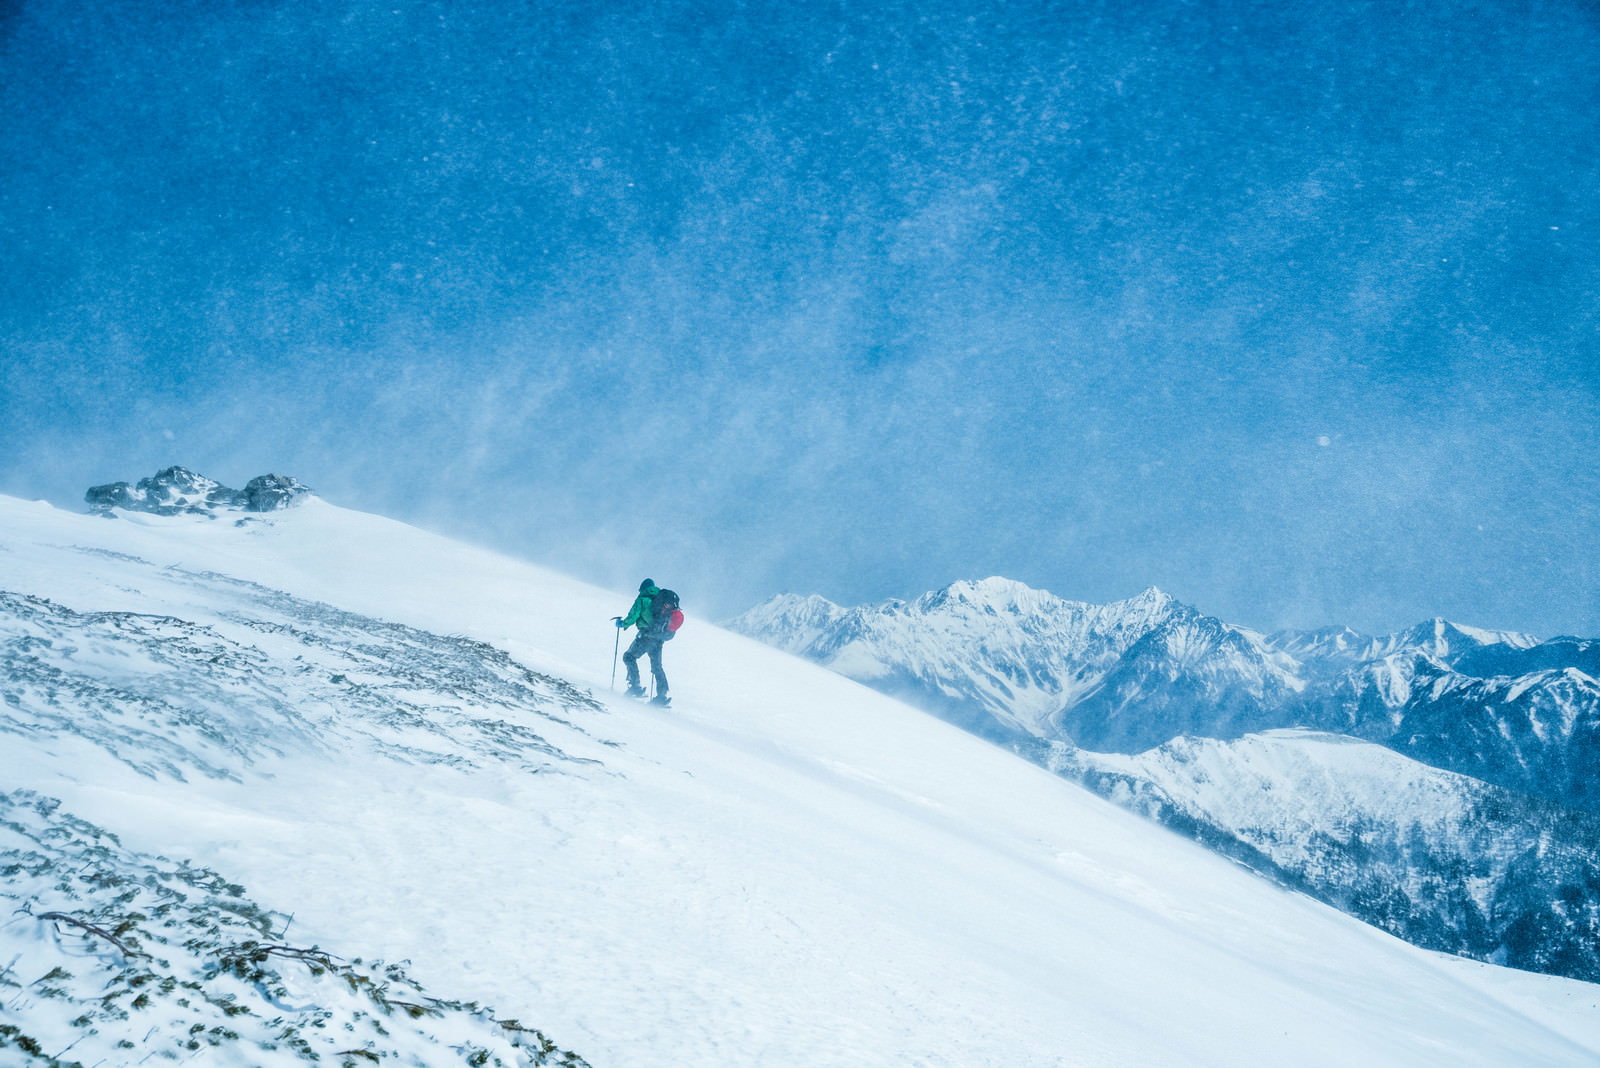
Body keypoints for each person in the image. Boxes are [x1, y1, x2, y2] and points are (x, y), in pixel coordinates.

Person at [617, 578, 671, 705]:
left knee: (629, 657)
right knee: (657, 666)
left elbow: (633, 616)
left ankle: (635, 686)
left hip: (646, 636)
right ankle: (661, 696)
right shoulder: (661, 599)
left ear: (642, 589)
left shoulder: (642, 599)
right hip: (658, 638)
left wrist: (622, 623)